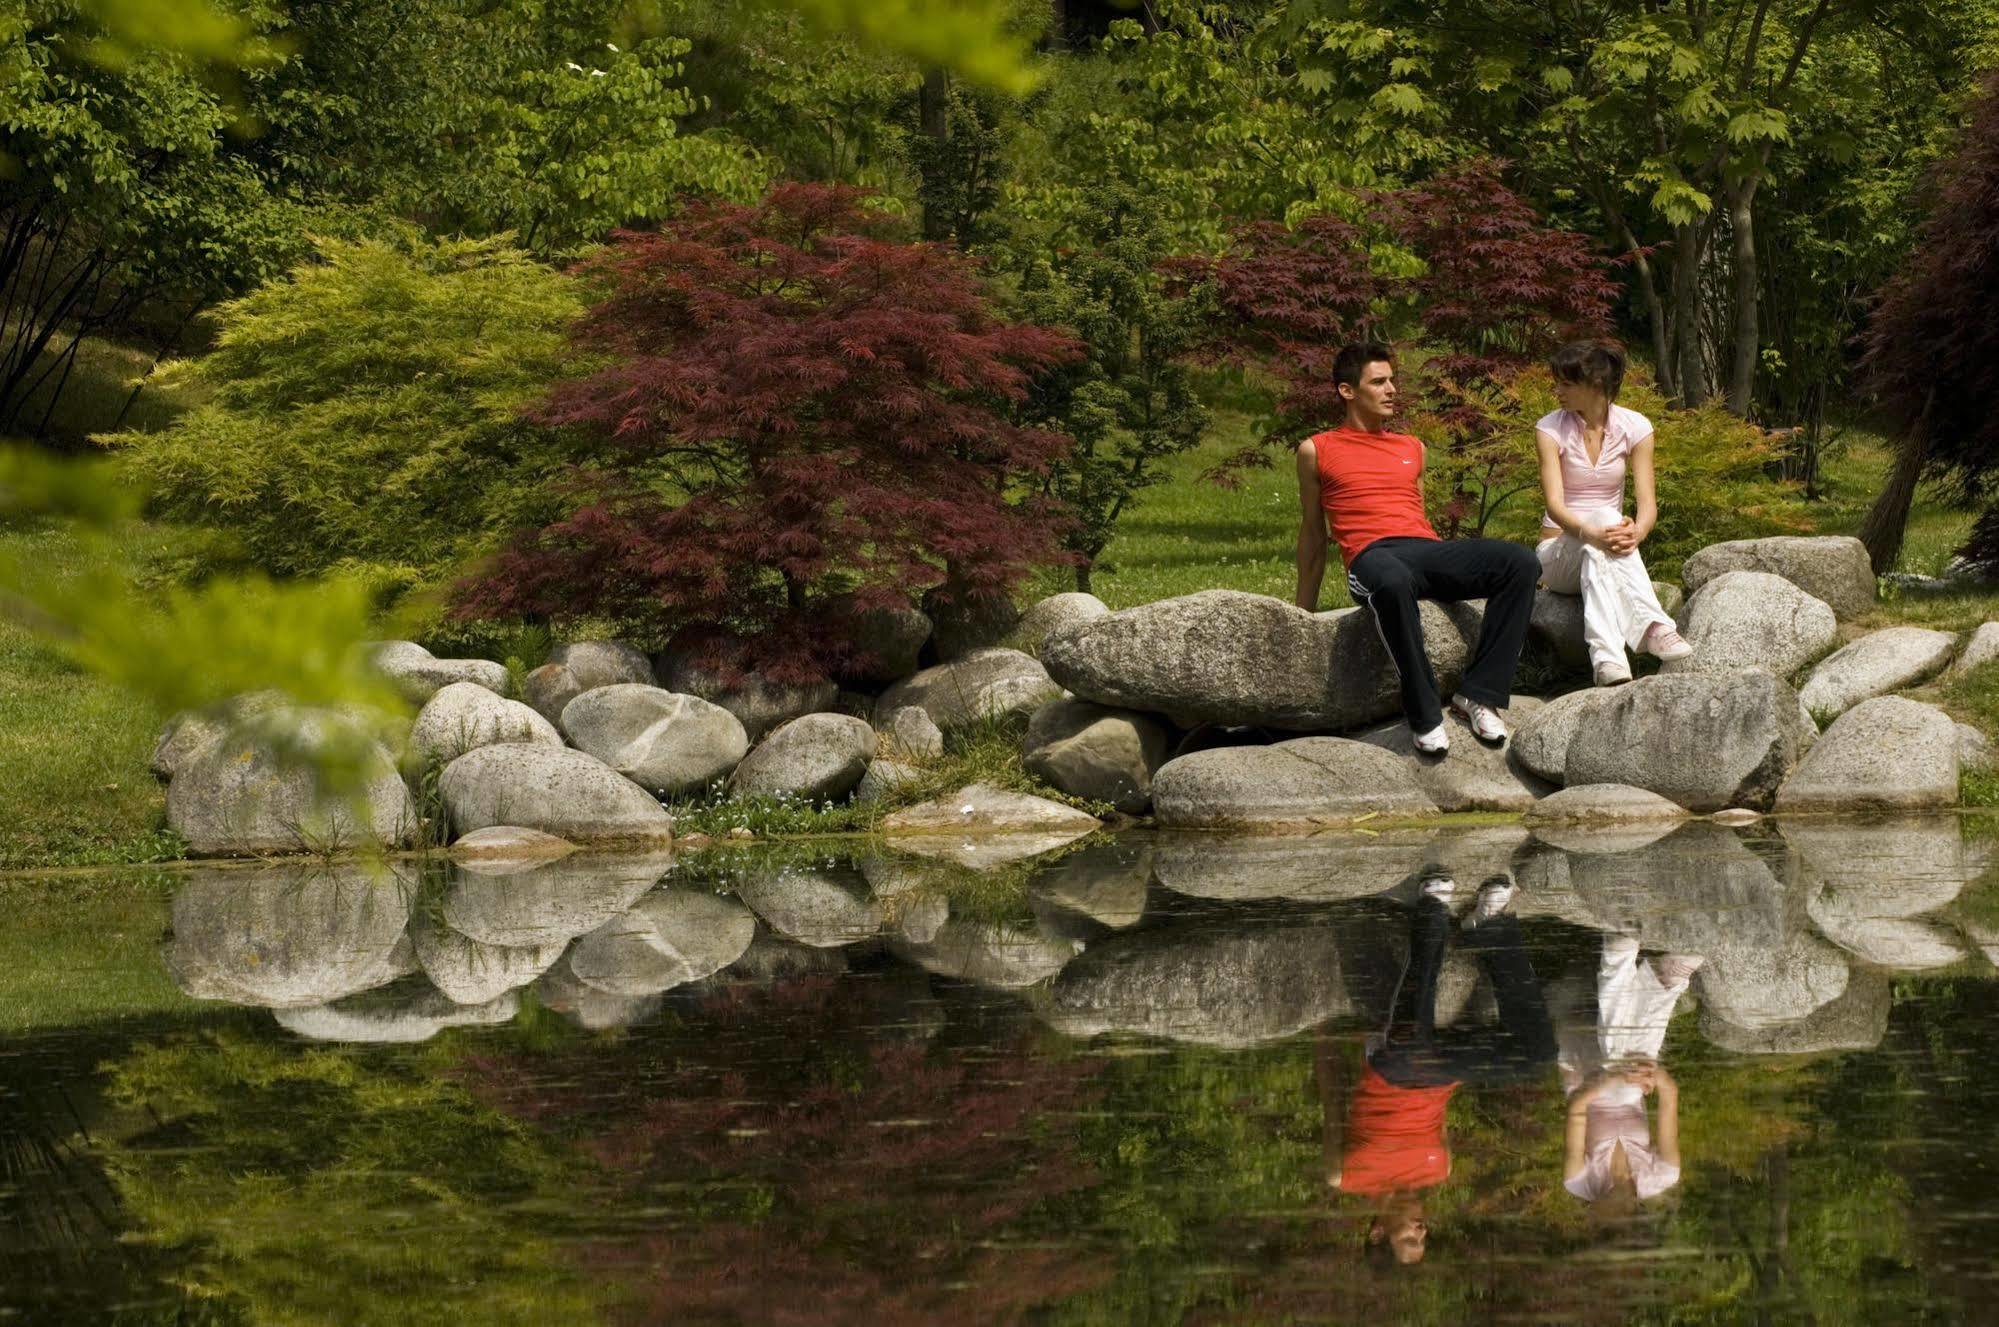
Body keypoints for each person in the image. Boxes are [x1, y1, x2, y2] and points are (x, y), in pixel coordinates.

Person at [1296, 344, 1542, 755]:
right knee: (1392, 582)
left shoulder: (1412, 447)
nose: (1391, 389)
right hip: (1371, 557)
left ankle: (1479, 694)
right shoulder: (1317, 450)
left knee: (1520, 562)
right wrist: (1302, 615)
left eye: (1393, 380)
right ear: (1347, 390)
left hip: (1424, 550)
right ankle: (1425, 713)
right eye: (1379, 381)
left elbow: (1417, 515)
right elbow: (1313, 535)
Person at [1321, 871, 1558, 1264]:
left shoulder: (1345, 1176)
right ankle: (1491, 925)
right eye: (1423, 1239)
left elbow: (1332, 1102)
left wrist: (1324, 1036)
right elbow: (1441, 1112)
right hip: (1444, 1072)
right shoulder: (1440, 1169)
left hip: (1395, 1070)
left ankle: (1431, 911)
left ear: (1377, 1232)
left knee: (1412, 1042)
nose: (1422, 1231)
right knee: (1538, 1055)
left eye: (1411, 1240)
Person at [1534, 340, 1694, 686]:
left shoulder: (1635, 427)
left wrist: (1638, 531)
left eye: (1565, 383)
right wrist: (1592, 532)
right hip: (1558, 555)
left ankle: (1609, 663)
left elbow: (1647, 504)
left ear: (1594, 385)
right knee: (1606, 518)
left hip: (1604, 548)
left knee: (1604, 535)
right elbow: (1555, 507)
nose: (1557, 391)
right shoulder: (1549, 428)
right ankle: (1654, 626)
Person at [1557, 935, 1700, 1206]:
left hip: (1581, 1066)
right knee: (1631, 1072)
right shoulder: (1662, 1175)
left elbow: (1577, 1107)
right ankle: (1622, 958)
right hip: (1627, 1070)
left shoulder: (1578, 1182)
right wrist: (1656, 1075)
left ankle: (1664, 979)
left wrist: (1611, 1080)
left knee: (1625, 1083)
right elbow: (1669, 1097)